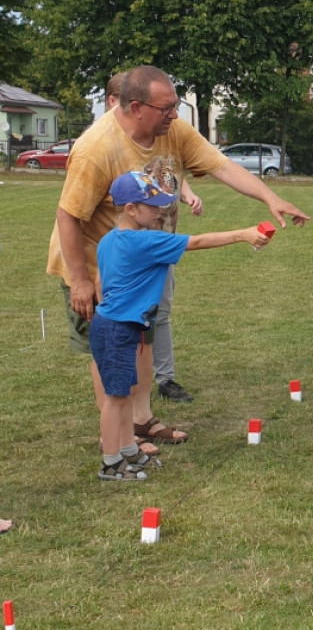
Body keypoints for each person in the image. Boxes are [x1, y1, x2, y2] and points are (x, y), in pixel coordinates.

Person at [46, 65, 309, 455]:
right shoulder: (96, 148)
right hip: (97, 266)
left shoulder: (174, 131)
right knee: (110, 350)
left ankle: (141, 419)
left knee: (143, 340)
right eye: (166, 108)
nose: (174, 115)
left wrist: (269, 197)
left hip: (146, 262)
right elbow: (68, 215)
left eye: (176, 106)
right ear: (136, 107)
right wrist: (81, 281)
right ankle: (116, 438)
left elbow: (221, 165)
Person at [92, 171, 272, 480]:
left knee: (127, 393)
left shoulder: (109, 240)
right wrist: (243, 233)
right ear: (131, 209)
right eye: (153, 206)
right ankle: (112, 463)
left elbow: (100, 282)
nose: (160, 211)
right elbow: (198, 241)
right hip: (117, 328)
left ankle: (127, 450)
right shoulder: (144, 241)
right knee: (116, 398)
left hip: (114, 325)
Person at [107, 73, 199, 402]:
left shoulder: (165, 136)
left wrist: (184, 193)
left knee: (160, 315)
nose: (171, 116)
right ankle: (129, 392)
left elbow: (174, 170)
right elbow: (199, 243)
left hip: (160, 246)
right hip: (139, 251)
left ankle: (163, 381)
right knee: (135, 320)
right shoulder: (108, 145)